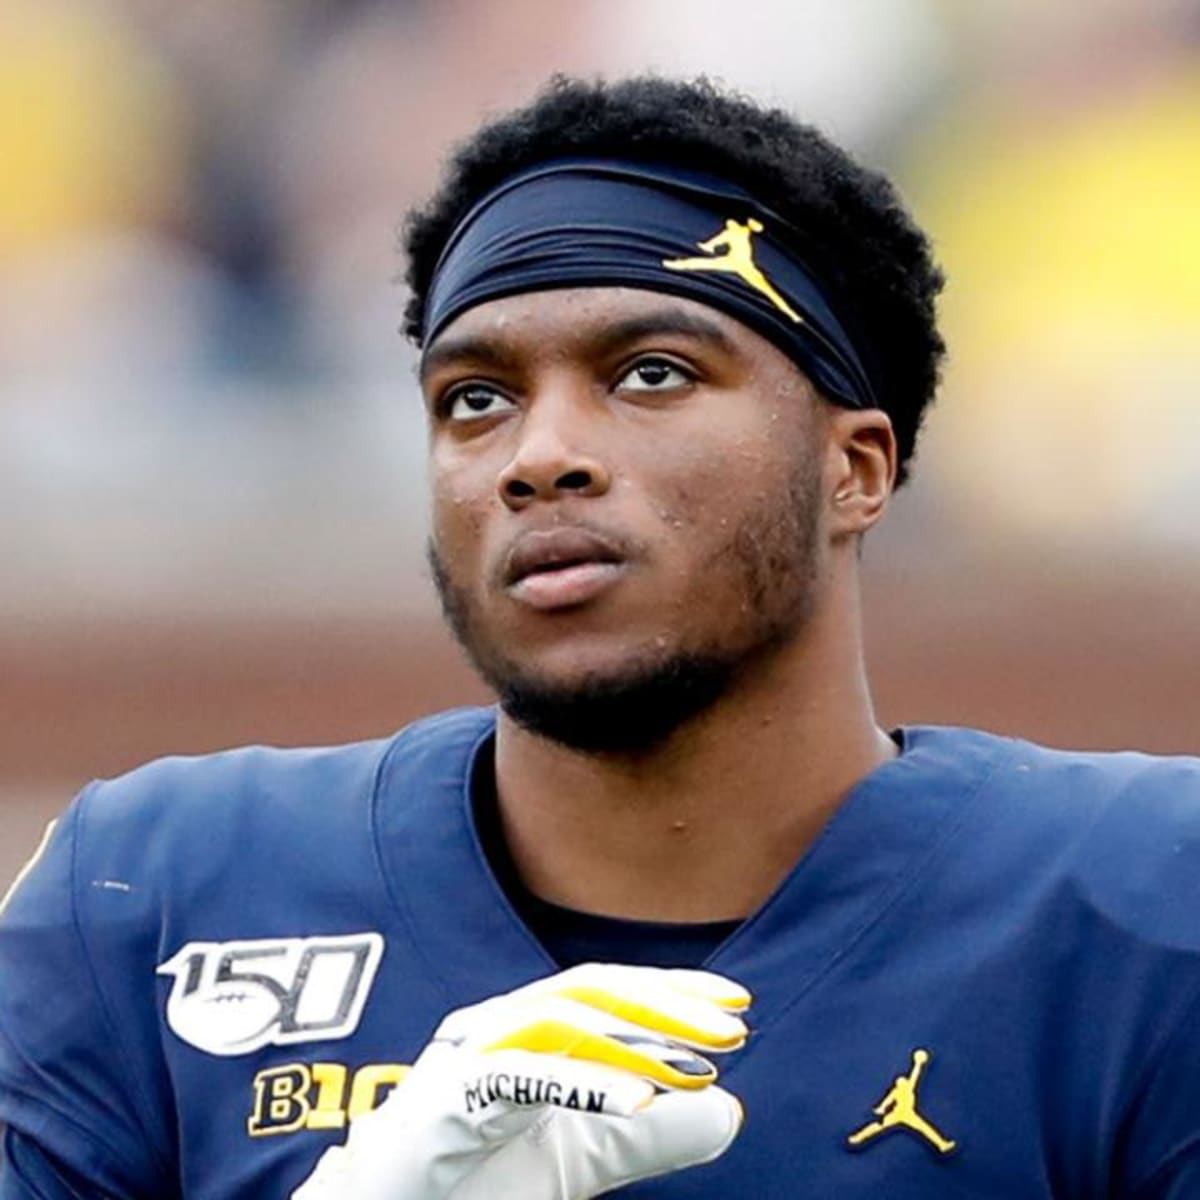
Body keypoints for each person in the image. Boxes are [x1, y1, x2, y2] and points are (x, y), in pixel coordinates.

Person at [1, 74, 1199, 1200]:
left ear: (855, 468)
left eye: (653, 373)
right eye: (476, 398)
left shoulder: (1139, 910)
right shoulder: (159, 896)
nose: (538, 456)